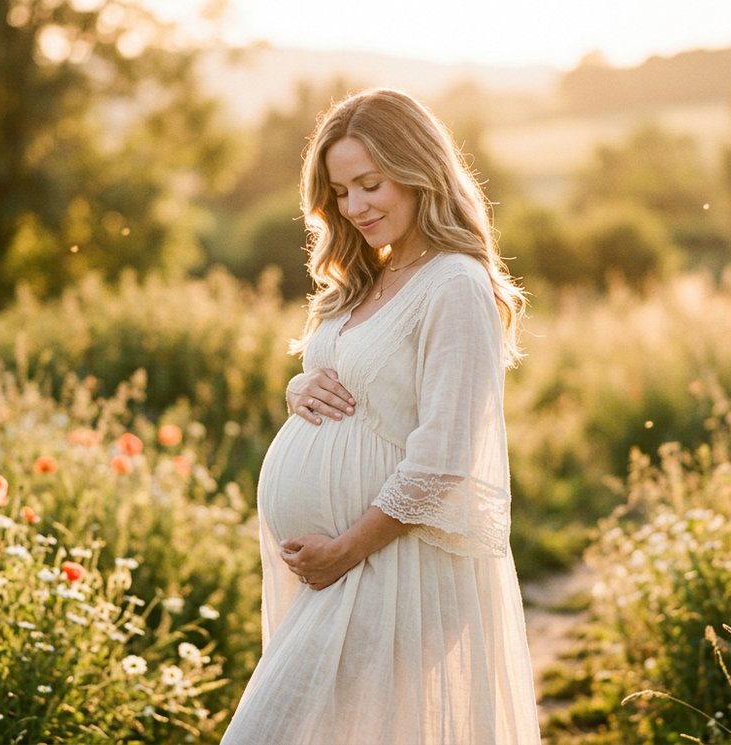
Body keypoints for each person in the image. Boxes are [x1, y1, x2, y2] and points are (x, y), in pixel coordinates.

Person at [221, 88, 540, 744]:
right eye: (341, 191)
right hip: (343, 569)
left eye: (371, 183)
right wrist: (299, 390)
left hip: (392, 564)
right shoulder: (373, 276)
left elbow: (445, 454)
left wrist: (344, 550)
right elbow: (360, 384)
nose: (355, 206)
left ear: (420, 169)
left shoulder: (454, 284)